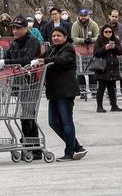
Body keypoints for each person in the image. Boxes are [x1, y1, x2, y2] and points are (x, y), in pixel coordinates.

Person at [31, 26, 88, 162]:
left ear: (65, 37)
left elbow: (61, 60)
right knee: (53, 122)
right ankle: (77, 147)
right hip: (54, 91)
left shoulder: (68, 48)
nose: (55, 38)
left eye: (58, 35)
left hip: (65, 90)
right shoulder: (51, 49)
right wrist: (35, 60)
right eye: (53, 36)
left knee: (66, 121)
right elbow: (40, 57)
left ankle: (69, 152)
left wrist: (44, 61)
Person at [0, 15, 42, 160]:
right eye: (13, 28)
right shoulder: (15, 43)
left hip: (31, 82)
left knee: (28, 115)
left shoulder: (33, 42)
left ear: (26, 28)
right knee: (25, 116)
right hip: (19, 83)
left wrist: (6, 62)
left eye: (18, 28)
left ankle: (33, 147)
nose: (15, 31)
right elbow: (9, 58)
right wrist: (0, 66)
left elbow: (27, 60)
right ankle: (30, 146)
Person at [93, 24, 122, 113]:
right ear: (103, 32)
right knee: (101, 88)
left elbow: (121, 51)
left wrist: (115, 47)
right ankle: (99, 106)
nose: (108, 33)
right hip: (102, 68)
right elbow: (96, 53)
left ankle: (114, 106)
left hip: (113, 68)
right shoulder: (99, 40)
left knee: (112, 88)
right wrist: (105, 48)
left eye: (110, 32)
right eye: (106, 32)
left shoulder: (115, 40)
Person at [71, 9, 100, 98]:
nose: (83, 17)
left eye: (85, 16)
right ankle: (82, 91)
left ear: (88, 16)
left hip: (91, 50)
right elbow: (73, 37)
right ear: (79, 16)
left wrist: (91, 40)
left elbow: (98, 36)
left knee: (92, 71)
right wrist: (83, 41)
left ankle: (94, 90)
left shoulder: (94, 24)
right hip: (79, 51)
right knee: (80, 72)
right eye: (82, 16)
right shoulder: (75, 25)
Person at [108, 10, 122, 103]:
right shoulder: (105, 27)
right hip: (109, 54)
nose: (114, 18)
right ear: (109, 16)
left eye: (116, 17)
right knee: (110, 76)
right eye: (113, 16)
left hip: (121, 54)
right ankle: (112, 95)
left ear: (118, 17)